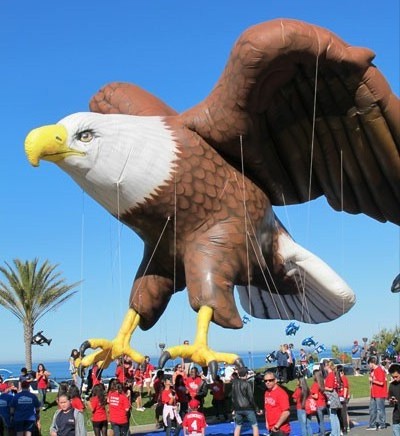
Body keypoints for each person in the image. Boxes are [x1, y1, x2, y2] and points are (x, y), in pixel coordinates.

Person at [231, 367, 260, 436]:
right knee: (254, 426)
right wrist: (256, 408)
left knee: (238, 426)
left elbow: (233, 398)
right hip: (248, 408)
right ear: (246, 374)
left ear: (238, 375)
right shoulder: (247, 384)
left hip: (238, 408)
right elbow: (251, 397)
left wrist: (233, 409)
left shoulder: (234, 384)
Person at [263, 371, 291, 436]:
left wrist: (276, 426)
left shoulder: (281, 393)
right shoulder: (266, 392)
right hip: (271, 428)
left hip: (281, 429)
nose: (268, 382)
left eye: (270, 380)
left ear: (275, 380)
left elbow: (286, 412)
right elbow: (267, 409)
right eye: (265, 381)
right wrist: (267, 423)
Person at [366, 355, 387, 430]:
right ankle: (372, 425)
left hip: (380, 393)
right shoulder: (372, 371)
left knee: (380, 409)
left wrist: (373, 381)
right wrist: (370, 385)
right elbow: (371, 381)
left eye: (369, 364)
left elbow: (381, 383)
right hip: (373, 393)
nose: (369, 366)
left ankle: (382, 424)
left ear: (372, 363)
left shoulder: (379, 370)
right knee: (372, 409)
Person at [324, 361, 341, 436]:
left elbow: (330, 388)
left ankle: (334, 433)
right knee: (335, 416)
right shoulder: (333, 375)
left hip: (332, 397)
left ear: (327, 366)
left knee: (332, 416)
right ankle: (336, 432)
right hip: (334, 396)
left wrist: (323, 387)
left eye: (324, 366)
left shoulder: (330, 375)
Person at [310, 370, 327, 436]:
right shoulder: (322, 383)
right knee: (321, 420)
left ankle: (322, 433)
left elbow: (316, 396)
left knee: (320, 421)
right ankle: (321, 432)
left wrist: (310, 395)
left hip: (318, 404)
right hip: (323, 403)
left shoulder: (315, 384)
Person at [337, 365, 350, 434]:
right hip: (340, 397)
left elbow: (345, 387)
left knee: (343, 413)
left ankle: (345, 427)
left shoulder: (343, 378)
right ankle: (345, 426)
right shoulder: (339, 378)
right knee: (343, 413)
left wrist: (344, 397)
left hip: (343, 397)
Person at [388, 363, 400, 436]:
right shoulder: (392, 385)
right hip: (396, 417)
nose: (395, 379)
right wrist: (391, 401)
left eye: (396, 376)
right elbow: (390, 402)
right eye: (393, 377)